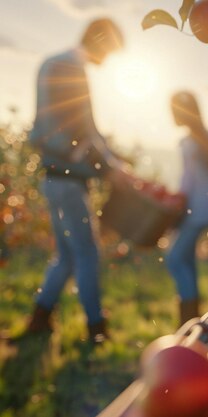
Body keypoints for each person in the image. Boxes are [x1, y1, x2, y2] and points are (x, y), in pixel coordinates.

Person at [22, 18, 126, 344]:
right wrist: (110, 168)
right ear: (100, 42)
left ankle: (39, 318)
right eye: (108, 51)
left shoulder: (51, 63)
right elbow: (82, 130)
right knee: (86, 253)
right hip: (68, 180)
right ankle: (96, 328)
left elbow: (69, 127)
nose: (106, 60)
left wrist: (113, 160)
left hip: (51, 177)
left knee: (66, 254)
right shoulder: (71, 68)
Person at [166, 91, 208, 326]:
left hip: (199, 210)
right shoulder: (186, 142)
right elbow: (187, 178)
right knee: (186, 259)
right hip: (192, 208)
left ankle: (189, 317)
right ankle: (193, 318)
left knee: (173, 258)